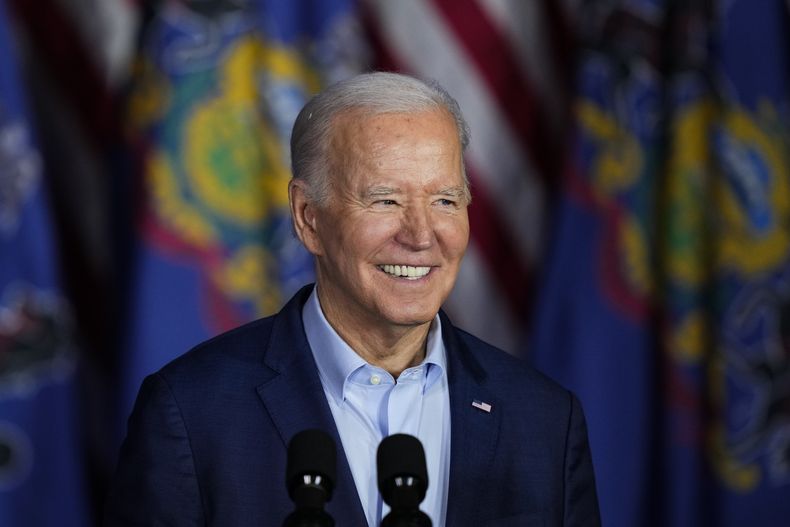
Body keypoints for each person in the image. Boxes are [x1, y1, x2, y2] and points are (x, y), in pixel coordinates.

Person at [105, 72, 600, 526]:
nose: (421, 234)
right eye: (386, 200)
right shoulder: (192, 414)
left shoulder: (544, 422)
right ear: (308, 218)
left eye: (445, 201)